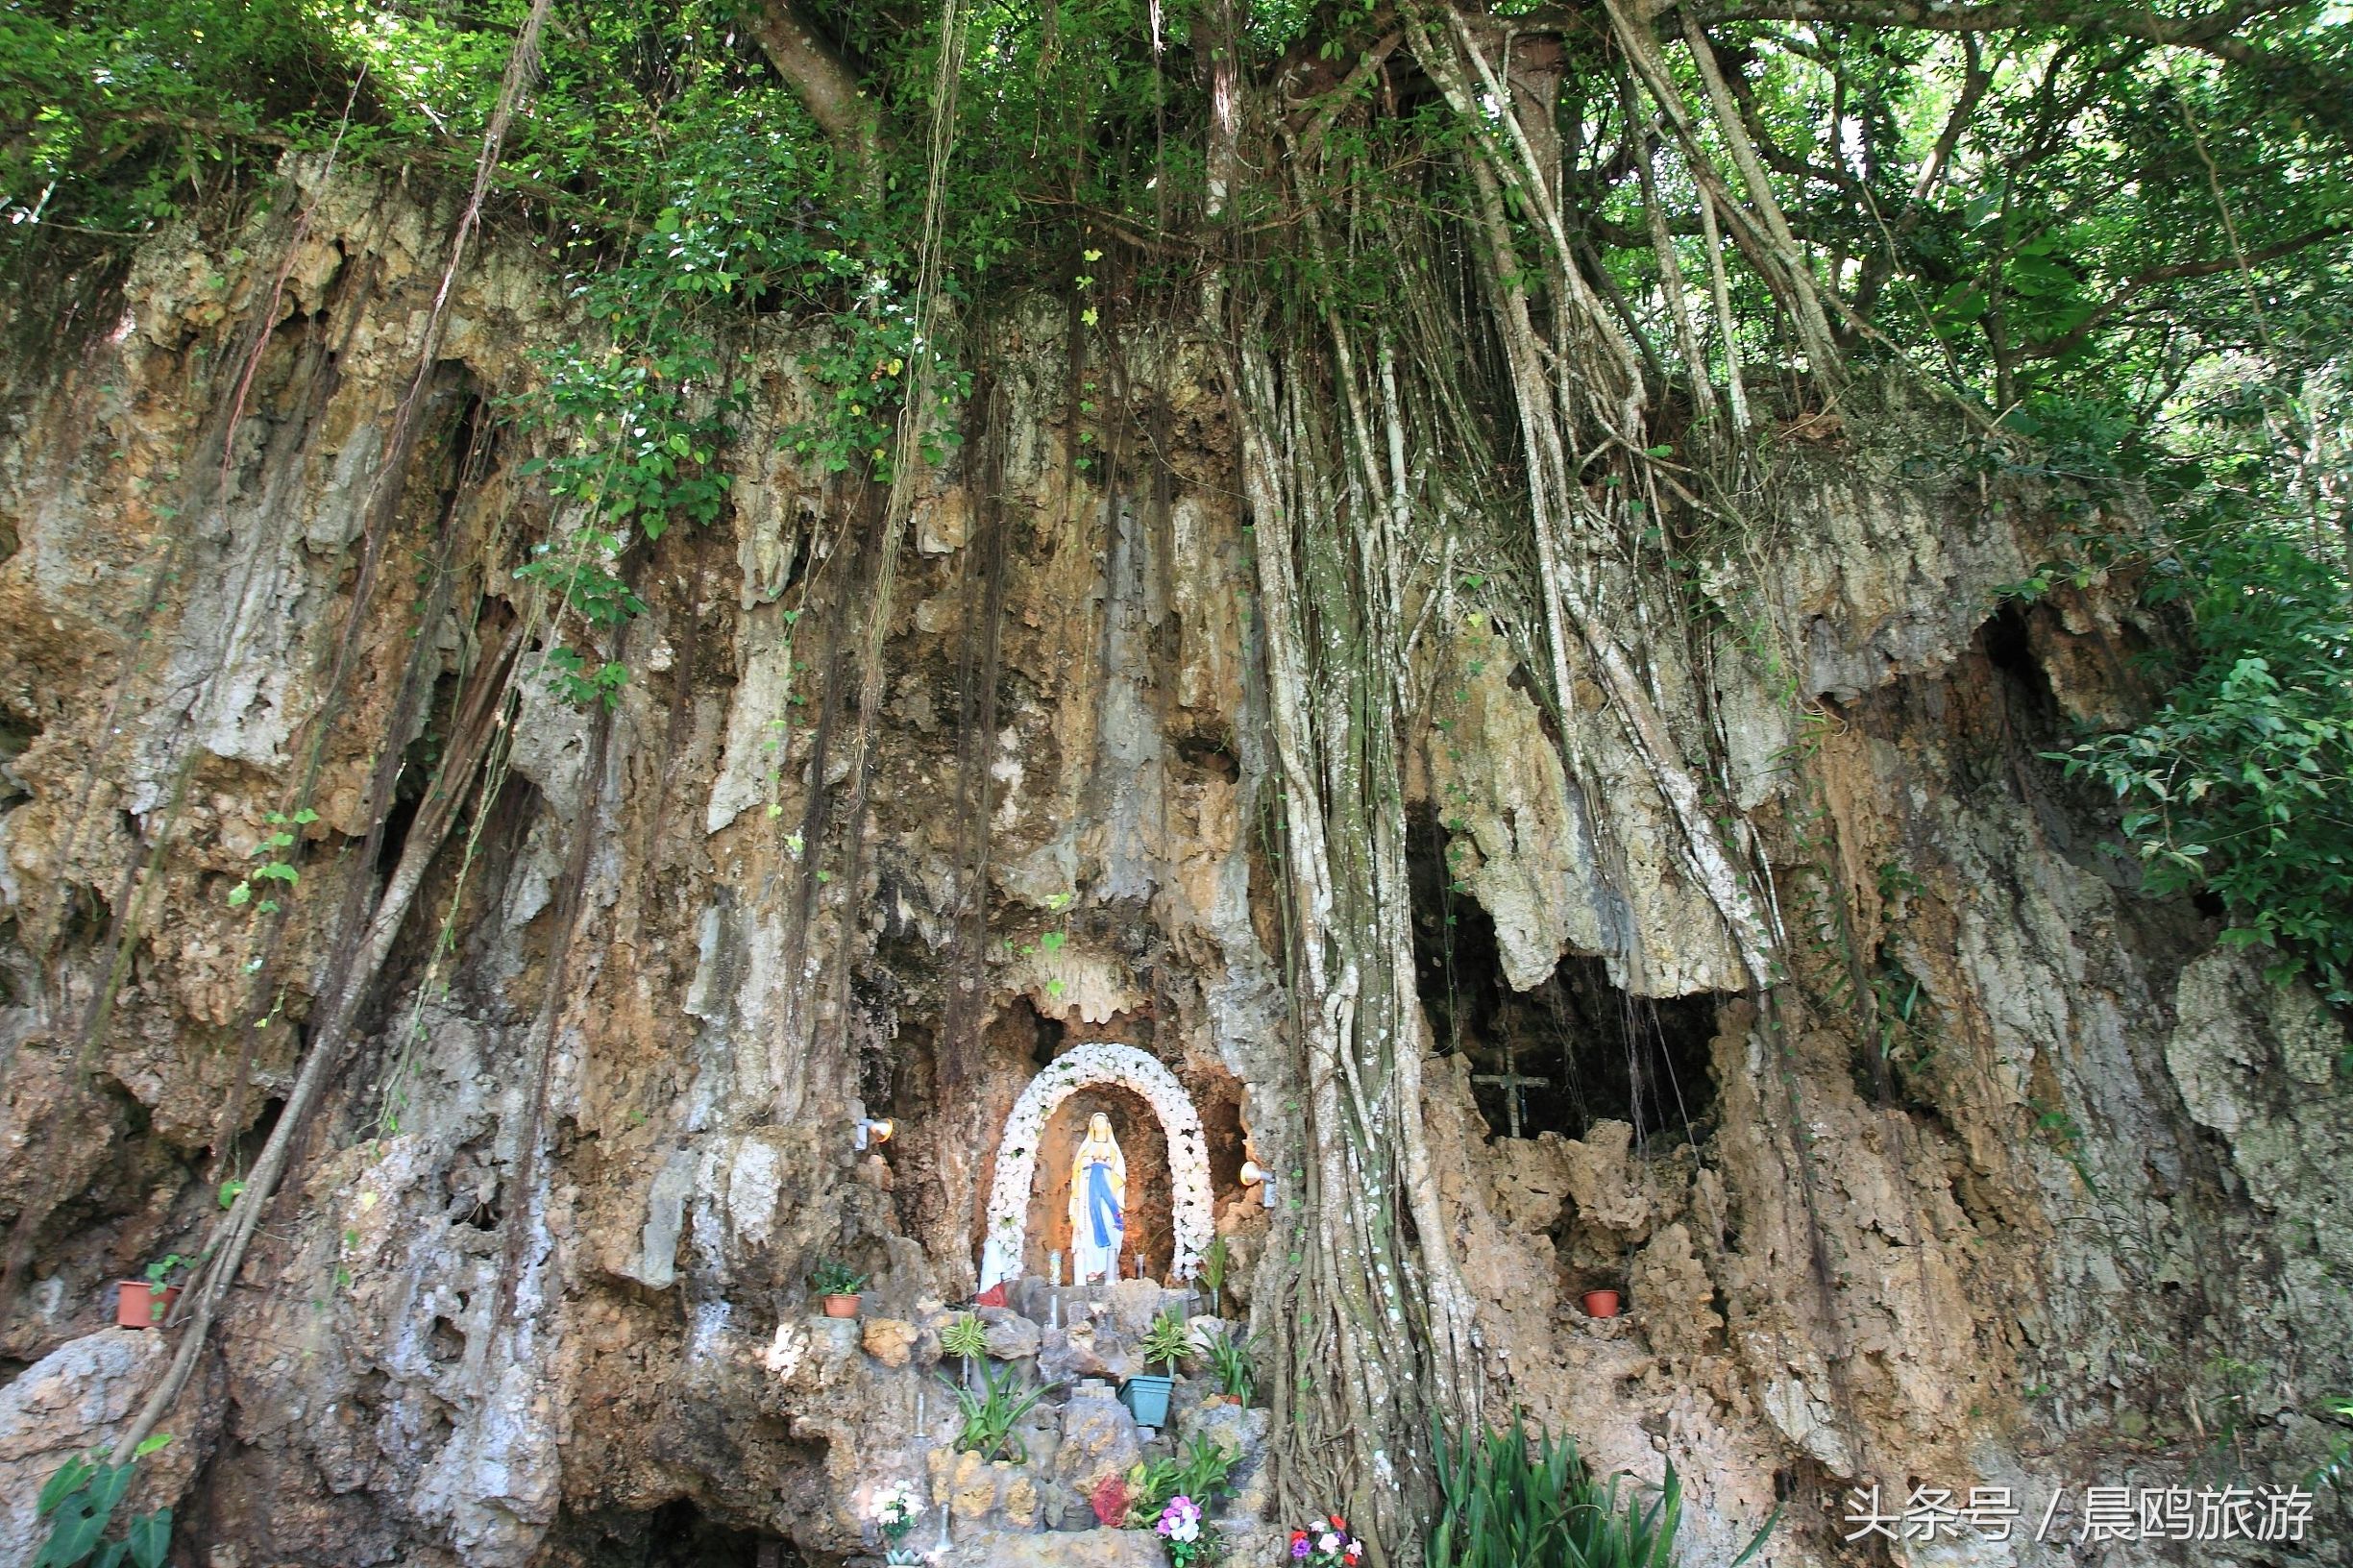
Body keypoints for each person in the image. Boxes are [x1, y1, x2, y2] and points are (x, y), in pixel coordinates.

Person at [1067, 1113, 1126, 1285]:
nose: (1099, 1124)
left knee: (1110, 1223)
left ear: (1108, 1125)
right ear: (1092, 1126)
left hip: (1107, 1194)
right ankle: (1091, 1268)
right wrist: (1090, 1165)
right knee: (1089, 1229)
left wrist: (1105, 1166)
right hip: (1089, 1195)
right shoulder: (1086, 1148)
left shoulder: (1113, 1149)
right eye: (1096, 1121)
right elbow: (1077, 1172)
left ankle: (1109, 1268)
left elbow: (1120, 1174)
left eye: (1102, 1121)